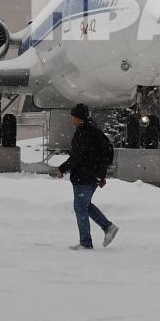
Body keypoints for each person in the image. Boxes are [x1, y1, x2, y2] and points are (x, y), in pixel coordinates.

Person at [54, 103, 118, 249]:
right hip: (92, 175)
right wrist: (101, 174)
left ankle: (86, 242)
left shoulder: (83, 133)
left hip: (84, 176)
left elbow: (77, 157)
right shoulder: (95, 132)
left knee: (80, 207)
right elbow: (107, 152)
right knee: (85, 205)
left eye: (73, 116)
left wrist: (62, 168)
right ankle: (108, 227)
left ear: (79, 118)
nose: (71, 119)